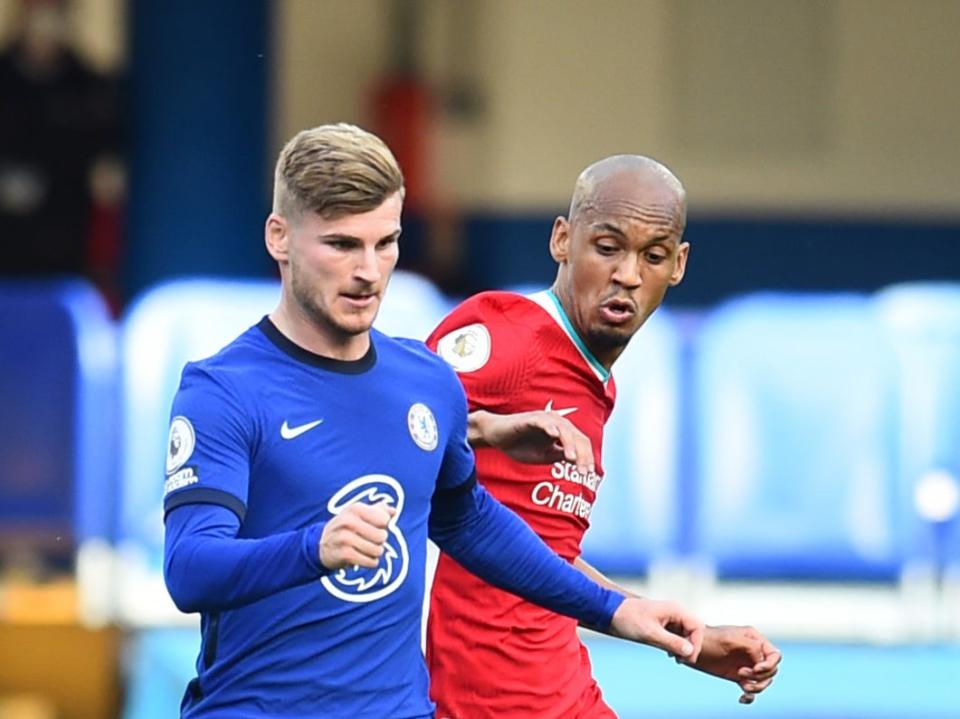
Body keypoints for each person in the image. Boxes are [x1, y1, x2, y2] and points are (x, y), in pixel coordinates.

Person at [161, 125, 708, 718]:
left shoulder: (425, 382)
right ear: (280, 238)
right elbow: (190, 569)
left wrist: (617, 610)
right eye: (342, 245)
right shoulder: (224, 389)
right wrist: (313, 547)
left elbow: (470, 523)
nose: (369, 271)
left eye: (386, 243)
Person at [426, 155, 782, 718]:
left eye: (653, 255)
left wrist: (679, 637)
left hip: (557, 684)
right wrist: (487, 429)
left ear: (680, 265)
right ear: (562, 240)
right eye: (608, 247)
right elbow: (395, 433)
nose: (629, 275)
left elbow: (544, 551)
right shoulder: (506, 333)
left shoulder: (591, 376)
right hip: (485, 698)